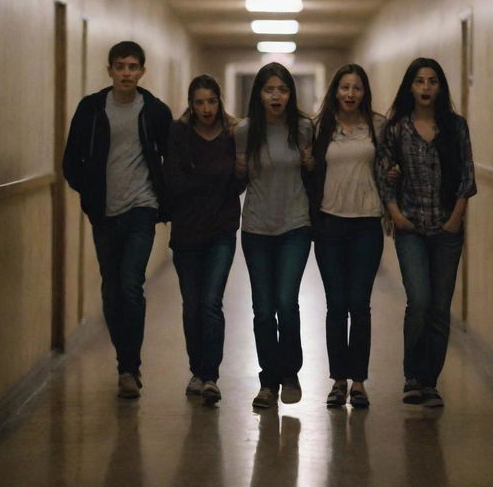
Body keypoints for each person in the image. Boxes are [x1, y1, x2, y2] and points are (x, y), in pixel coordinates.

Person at [63, 40, 172, 399]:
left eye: (132, 67)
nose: (126, 73)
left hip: (142, 208)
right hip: (105, 214)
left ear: (142, 71)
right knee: (111, 289)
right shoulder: (92, 109)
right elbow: (71, 161)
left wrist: (162, 201)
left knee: (130, 285)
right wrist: (92, 196)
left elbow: (171, 156)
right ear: (109, 70)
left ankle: (130, 367)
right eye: (120, 66)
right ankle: (124, 361)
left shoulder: (154, 111)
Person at [376, 57, 476, 408]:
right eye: (419, 81)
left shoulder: (456, 127)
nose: (426, 87)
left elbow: (467, 177)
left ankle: (430, 381)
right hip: (411, 229)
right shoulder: (397, 129)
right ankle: (412, 376)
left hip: (448, 230)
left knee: (439, 307)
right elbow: (383, 175)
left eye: (432, 81)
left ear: (440, 87)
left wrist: (455, 219)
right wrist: (396, 215)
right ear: (410, 87)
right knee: (418, 301)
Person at [234, 62, 314, 409]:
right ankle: (268, 381)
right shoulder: (245, 131)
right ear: (259, 95)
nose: (276, 96)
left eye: (282, 89)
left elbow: (316, 173)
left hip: (295, 225)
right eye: (269, 89)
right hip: (256, 227)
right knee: (263, 309)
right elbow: (237, 180)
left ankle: (289, 372)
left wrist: (313, 165)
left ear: (290, 93)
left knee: (286, 302)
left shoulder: (304, 129)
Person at [311, 64, 385, 409]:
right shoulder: (319, 128)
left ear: (364, 92)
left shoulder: (378, 126)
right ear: (335, 91)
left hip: (367, 224)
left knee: (360, 304)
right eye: (344, 87)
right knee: (336, 305)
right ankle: (338, 381)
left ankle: (359, 382)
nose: (350, 94)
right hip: (329, 224)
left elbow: (389, 165)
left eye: (357, 88)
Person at [165, 75, 242, 405]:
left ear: (219, 100)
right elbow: (174, 181)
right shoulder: (179, 133)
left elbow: (239, 182)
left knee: (210, 303)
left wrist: (204, 177)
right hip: (186, 232)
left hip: (221, 230)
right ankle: (196, 371)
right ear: (191, 104)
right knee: (191, 305)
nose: (206, 108)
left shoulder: (232, 135)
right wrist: (214, 178)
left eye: (211, 100)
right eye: (199, 102)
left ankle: (210, 376)